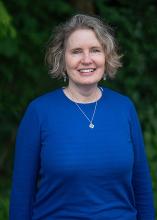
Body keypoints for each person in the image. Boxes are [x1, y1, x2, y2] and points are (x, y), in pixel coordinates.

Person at [9, 14, 155, 220]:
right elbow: (21, 196)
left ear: (106, 56)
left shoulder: (124, 108)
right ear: (62, 58)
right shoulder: (39, 112)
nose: (86, 60)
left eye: (95, 50)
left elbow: (142, 187)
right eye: (76, 51)